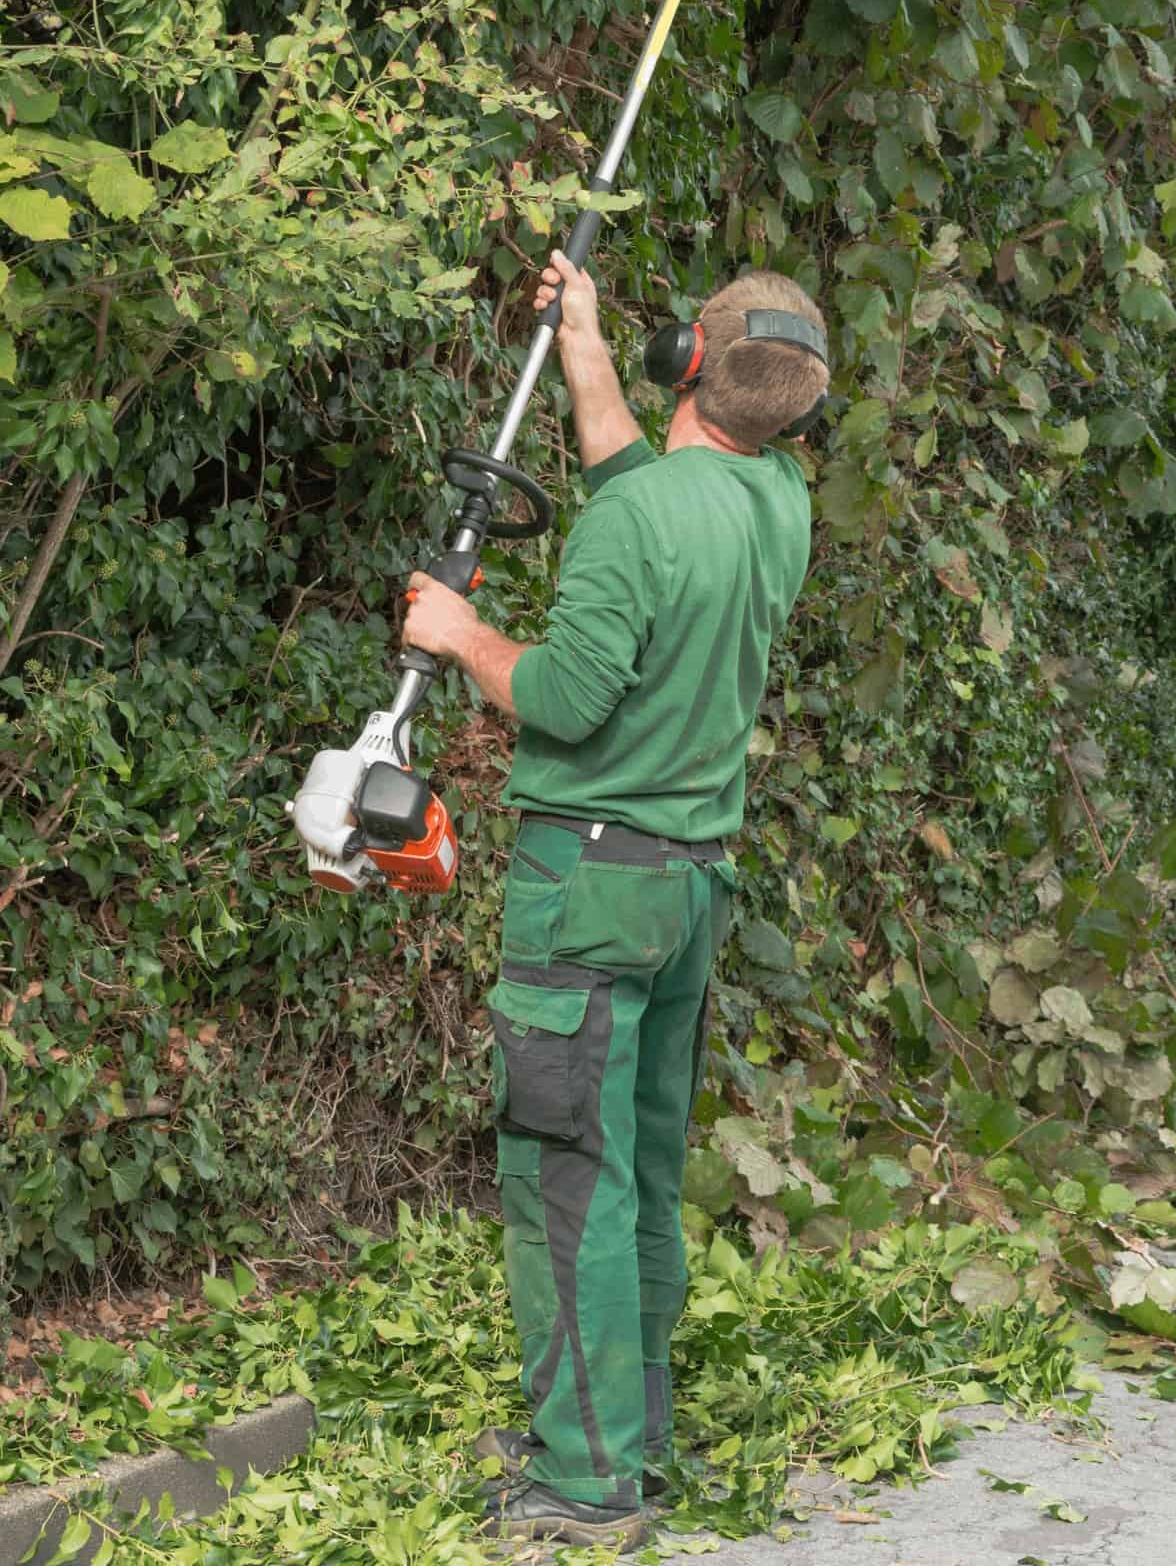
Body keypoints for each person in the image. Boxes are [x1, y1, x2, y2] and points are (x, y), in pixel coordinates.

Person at [402, 250, 828, 1551]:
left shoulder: (638, 523)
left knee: (566, 1176)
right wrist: (576, 338)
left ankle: (587, 1483)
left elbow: (568, 699)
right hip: (686, 884)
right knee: (635, 1164)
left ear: (685, 362)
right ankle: (624, 1427)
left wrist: (456, 636)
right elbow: (640, 476)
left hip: (586, 882)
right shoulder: (773, 499)